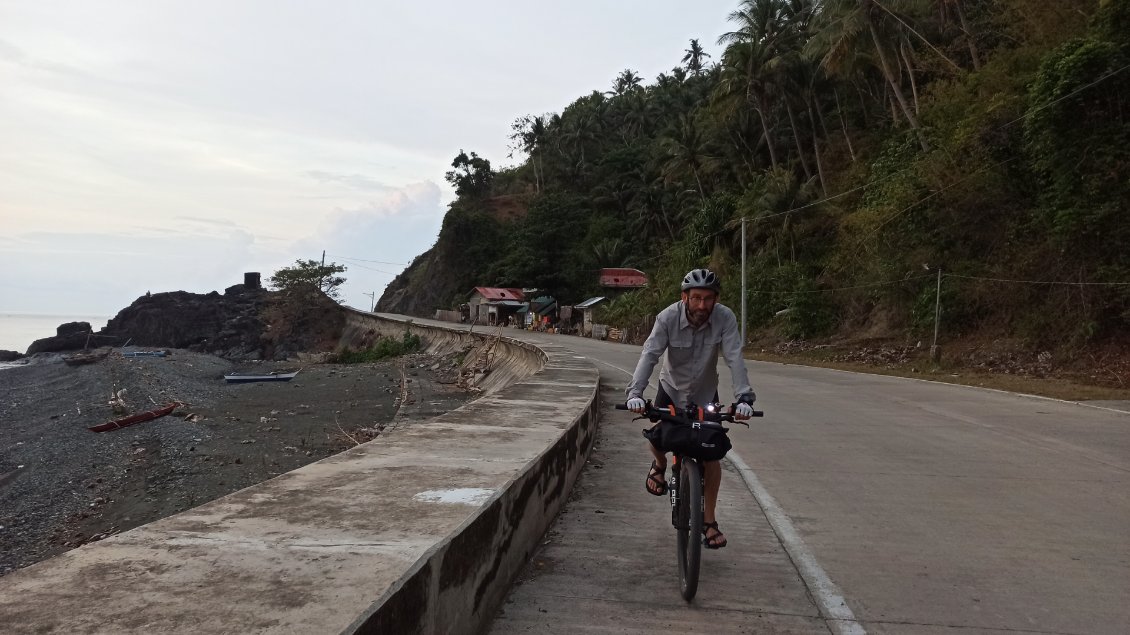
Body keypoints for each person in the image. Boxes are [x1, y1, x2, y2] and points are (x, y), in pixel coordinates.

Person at [625, 268, 755, 549]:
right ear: (684, 297)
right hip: (671, 388)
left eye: (708, 299)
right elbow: (650, 354)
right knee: (658, 433)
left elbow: (734, 357)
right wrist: (635, 393)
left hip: (705, 392)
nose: (702, 306)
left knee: (712, 455)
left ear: (716, 299)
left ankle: (709, 521)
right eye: (696, 298)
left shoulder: (725, 317)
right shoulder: (667, 317)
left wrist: (744, 398)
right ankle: (659, 466)